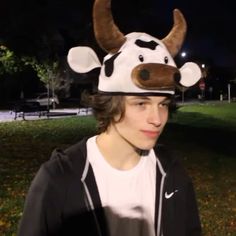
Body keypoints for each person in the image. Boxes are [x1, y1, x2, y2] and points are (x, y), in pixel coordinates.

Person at [17, 0, 202, 235]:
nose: (157, 119)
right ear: (110, 104)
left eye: (163, 104)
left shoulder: (172, 172)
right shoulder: (58, 180)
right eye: (141, 104)